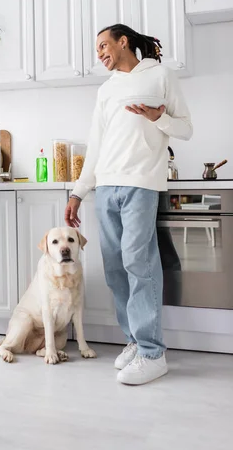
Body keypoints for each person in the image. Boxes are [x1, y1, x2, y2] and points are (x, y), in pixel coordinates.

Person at [65, 24, 192, 385]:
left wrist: (159, 118)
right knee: (116, 270)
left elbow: (186, 129)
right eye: (97, 49)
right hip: (106, 185)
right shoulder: (106, 90)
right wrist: (78, 192)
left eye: (104, 45)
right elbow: (96, 142)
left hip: (140, 183)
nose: (100, 53)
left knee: (140, 263)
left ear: (124, 42)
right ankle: (135, 341)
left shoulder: (161, 75)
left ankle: (154, 353)